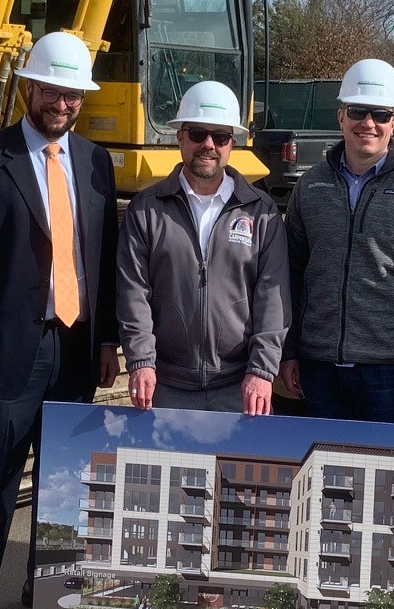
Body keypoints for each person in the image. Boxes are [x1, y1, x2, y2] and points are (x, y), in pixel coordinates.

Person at [0, 31, 120, 609]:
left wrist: (108, 341)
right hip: (6, 350)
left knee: (63, 486)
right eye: (51, 90)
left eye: (71, 94)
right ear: (28, 87)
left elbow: (103, 258)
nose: (61, 103)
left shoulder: (97, 162)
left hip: (73, 349)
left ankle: (41, 595)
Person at [281, 58, 394, 427]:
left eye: (380, 114)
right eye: (358, 111)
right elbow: (291, 274)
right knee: (320, 479)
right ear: (341, 116)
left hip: (388, 372)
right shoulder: (310, 187)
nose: (368, 123)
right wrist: (289, 351)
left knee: (387, 481)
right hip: (318, 366)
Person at [117, 81, 289, 415]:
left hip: (239, 388)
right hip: (165, 387)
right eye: (197, 133)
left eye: (220, 136)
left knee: (232, 470)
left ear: (232, 143)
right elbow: (133, 292)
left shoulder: (262, 212)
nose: (208, 145)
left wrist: (262, 370)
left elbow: (273, 298)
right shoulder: (146, 210)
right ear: (179, 136)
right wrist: (140, 361)